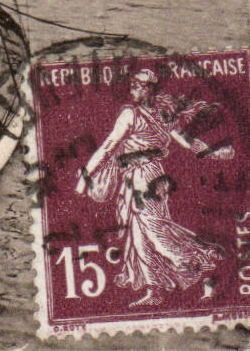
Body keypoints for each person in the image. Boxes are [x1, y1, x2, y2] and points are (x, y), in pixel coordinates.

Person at [76, 69, 230, 305]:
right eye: (133, 85)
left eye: (138, 86)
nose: (133, 90)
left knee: (154, 229)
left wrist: (86, 176)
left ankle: (195, 257)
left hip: (144, 178)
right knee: (138, 237)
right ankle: (154, 290)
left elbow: (108, 147)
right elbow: (187, 141)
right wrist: (213, 152)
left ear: (149, 89)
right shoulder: (160, 115)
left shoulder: (134, 114)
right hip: (143, 177)